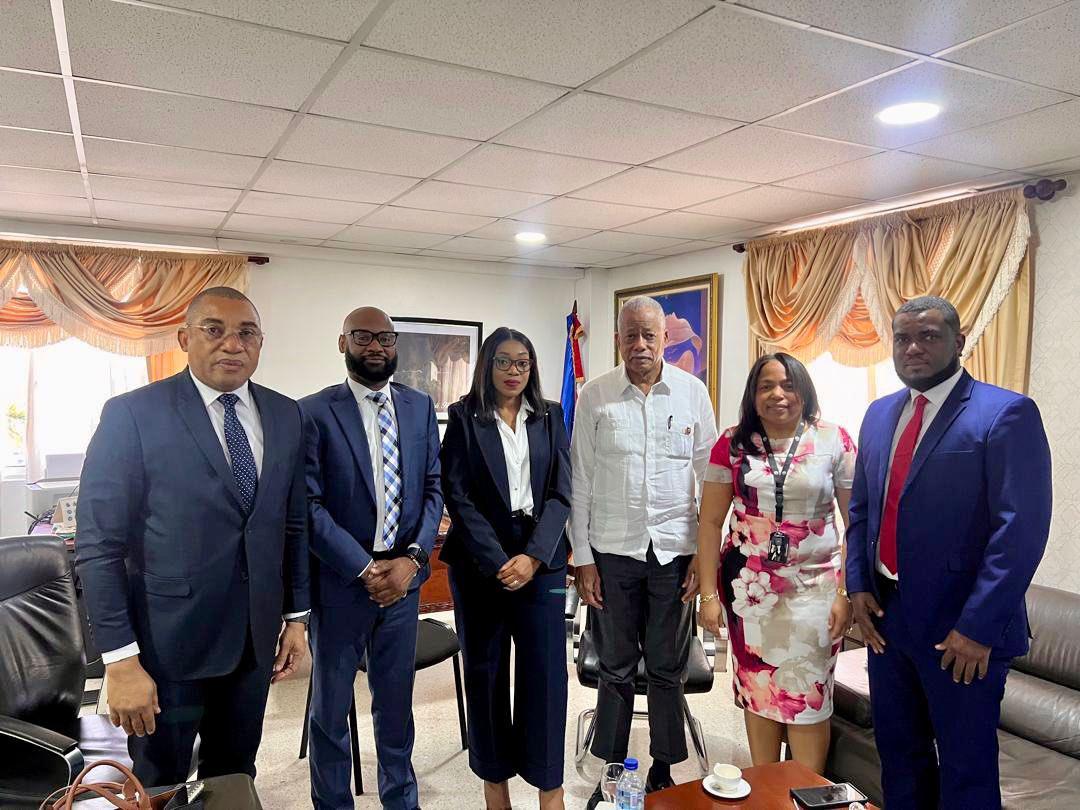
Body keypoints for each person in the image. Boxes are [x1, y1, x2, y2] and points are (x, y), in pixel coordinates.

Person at [76, 287, 310, 786]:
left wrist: (296, 617)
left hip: (253, 642)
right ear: (185, 338)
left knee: (234, 776)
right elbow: (99, 548)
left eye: (246, 332)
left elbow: (291, 524)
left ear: (260, 342)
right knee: (160, 783)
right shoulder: (133, 414)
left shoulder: (285, 414)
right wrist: (119, 660)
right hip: (167, 648)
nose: (233, 344)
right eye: (214, 329)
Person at [846, 296, 1052, 809]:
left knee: (966, 773)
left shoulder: (1005, 413)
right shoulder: (878, 415)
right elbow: (862, 510)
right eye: (902, 338)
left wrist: (978, 629)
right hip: (889, 622)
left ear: (958, 342)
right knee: (900, 758)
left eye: (929, 336)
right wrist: (858, 585)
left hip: (962, 632)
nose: (913, 348)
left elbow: (1020, 533)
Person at [570, 295, 718, 809]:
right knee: (614, 666)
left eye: (649, 335)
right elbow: (580, 479)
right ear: (618, 339)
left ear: (664, 339)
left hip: (675, 554)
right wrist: (583, 558)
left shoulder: (693, 393)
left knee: (666, 666)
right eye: (630, 335)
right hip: (612, 552)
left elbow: (711, 480)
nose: (639, 344)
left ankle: (662, 768)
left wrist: (704, 557)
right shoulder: (595, 395)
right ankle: (611, 769)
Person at [300, 307, 443, 810]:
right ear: (343, 343)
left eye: (385, 337)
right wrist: (363, 568)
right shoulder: (313, 412)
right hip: (341, 584)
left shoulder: (419, 407)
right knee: (330, 711)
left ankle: (401, 801)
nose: (376, 346)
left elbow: (433, 489)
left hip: (403, 582)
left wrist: (413, 560)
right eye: (363, 337)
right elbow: (309, 505)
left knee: (396, 707)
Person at [697, 353, 855, 774]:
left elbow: (856, 524)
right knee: (758, 689)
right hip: (750, 592)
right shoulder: (732, 444)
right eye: (766, 386)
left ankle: (806, 792)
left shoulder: (834, 440)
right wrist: (708, 595)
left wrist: (845, 592)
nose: (777, 394)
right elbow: (709, 523)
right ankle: (765, 791)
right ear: (753, 395)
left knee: (808, 697)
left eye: (788, 384)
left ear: (804, 390)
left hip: (817, 593)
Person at [440, 327, 572, 810]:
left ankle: (550, 789)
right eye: (503, 361)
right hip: (481, 563)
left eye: (522, 362)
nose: (513, 371)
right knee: (486, 671)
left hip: (542, 559)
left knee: (546, 676)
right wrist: (499, 561)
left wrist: (533, 557)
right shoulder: (464, 417)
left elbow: (562, 492)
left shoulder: (551, 416)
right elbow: (457, 495)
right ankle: (495, 787)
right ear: (487, 366)